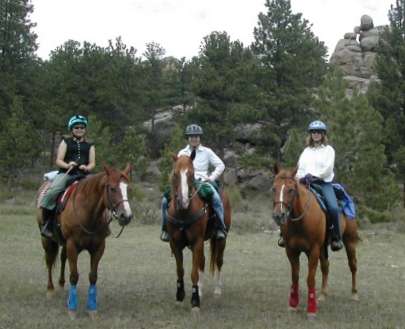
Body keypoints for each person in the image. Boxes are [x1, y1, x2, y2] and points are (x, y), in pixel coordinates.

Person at [278, 120, 343, 251]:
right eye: (313, 132)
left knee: (333, 208)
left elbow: (328, 169)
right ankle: (283, 234)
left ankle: (336, 237)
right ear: (310, 134)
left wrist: (315, 176)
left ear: (323, 134)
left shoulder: (329, 150)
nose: (316, 134)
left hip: (323, 183)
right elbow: (300, 168)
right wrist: (300, 177)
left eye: (319, 132)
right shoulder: (306, 151)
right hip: (304, 183)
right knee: (287, 202)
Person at [160, 124, 227, 242]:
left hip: (202, 182)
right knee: (165, 200)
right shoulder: (182, 152)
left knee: (216, 199)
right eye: (191, 136)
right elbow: (177, 170)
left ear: (200, 137)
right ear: (188, 138)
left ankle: (220, 227)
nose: (194, 138)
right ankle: (166, 229)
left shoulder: (207, 151)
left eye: (196, 136)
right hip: (184, 182)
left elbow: (221, 165)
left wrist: (211, 177)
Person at [39, 114, 95, 238]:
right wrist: (68, 164)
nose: (79, 130)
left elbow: (92, 163)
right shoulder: (66, 142)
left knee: (100, 192)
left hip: (83, 176)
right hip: (67, 173)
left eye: (82, 127)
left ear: (85, 129)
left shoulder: (90, 145)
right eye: (76, 128)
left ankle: (102, 224)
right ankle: (46, 223)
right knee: (53, 192)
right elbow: (58, 160)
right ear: (72, 129)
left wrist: (87, 167)